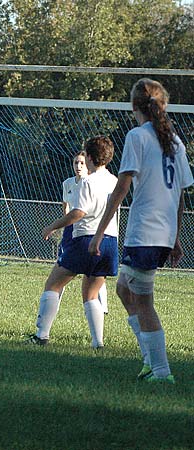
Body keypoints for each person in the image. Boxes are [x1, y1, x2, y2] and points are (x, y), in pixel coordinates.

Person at [89, 78, 193, 384]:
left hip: (145, 232)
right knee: (124, 289)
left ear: (135, 106)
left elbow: (122, 187)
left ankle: (161, 371)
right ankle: (149, 360)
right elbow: (180, 196)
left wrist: (99, 232)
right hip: (161, 233)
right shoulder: (175, 143)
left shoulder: (137, 136)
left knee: (143, 302)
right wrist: (175, 237)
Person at [26, 136, 118, 348]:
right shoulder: (114, 181)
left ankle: (41, 335)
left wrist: (52, 226)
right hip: (109, 242)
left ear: (90, 157)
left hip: (86, 239)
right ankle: (98, 343)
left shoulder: (88, 182)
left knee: (53, 285)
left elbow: (78, 213)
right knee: (91, 294)